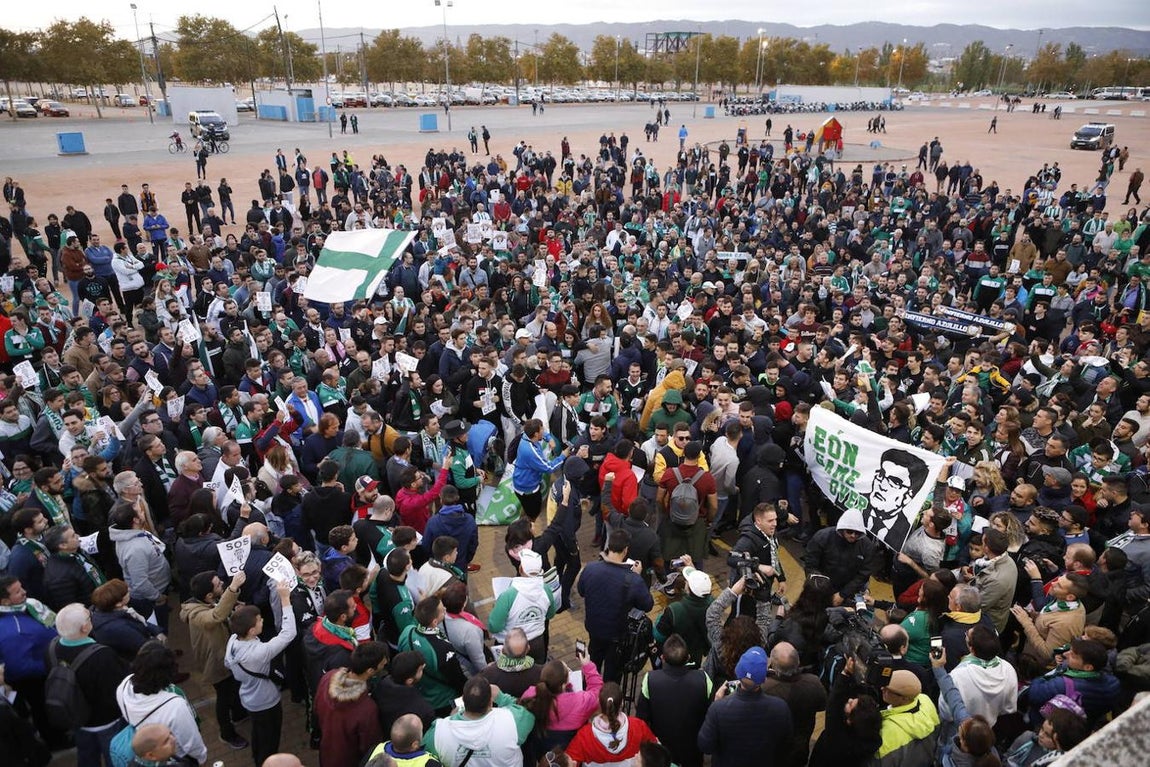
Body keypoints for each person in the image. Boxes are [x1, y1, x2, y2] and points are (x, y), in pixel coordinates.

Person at [224, 580, 297, 767]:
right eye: (259, 620)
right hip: (266, 701)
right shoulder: (258, 653)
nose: (262, 620)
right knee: (270, 740)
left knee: (259, 733)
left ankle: (258, 757)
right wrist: (285, 599)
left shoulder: (233, 640)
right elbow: (288, 634)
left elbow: (227, 663)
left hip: (248, 698)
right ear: (251, 630)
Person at [49, 603, 131, 767]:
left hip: (78, 718)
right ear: (84, 627)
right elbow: (116, 689)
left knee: (86, 757)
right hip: (107, 721)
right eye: (89, 617)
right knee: (115, 758)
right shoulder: (102, 655)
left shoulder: (53, 647)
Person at [180, 569, 249, 750]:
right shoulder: (196, 614)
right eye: (219, 585)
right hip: (216, 662)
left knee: (232, 687)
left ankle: (239, 713)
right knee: (224, 697)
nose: (223, 585)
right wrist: (233, 588)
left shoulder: (207, 601)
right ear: (209, 595)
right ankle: (227, 733)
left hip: (224, 657)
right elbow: (215, 617)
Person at [577, 529, 655, 683]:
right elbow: (648, 605)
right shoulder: (632, 580)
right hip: (617, 636)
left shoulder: (591, 568)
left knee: (591, 666)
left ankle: (589, 695)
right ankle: (608, 700)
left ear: (609, 546)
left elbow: (581, 591)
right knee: (612, 677)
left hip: (594, 630)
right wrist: (637, 576)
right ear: (626, 550)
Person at [698, 646, 794, 767]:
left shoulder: (718, 709)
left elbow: (705, 746)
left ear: (738, 673)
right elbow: (787, 745)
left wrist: (717, 703)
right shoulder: (780, 708)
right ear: (764, 678)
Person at [116, 641, 207, 766]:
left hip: (147, 749)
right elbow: (191, 742)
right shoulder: (175, 705)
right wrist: (201, 758)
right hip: (176, 758)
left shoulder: (123, 687)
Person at [636, 634, 712, 767]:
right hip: (694, 749)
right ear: (688, 658)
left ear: (662, 658)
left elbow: (641, 718)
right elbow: (711, 714)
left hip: (662, 752)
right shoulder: (704, 679)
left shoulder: (650, 680)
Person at [424, 676, 535, 767]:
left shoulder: (437, 733)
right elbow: (527, 712)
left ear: (463, 700)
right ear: (491, 702)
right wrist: (502, 698)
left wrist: (452, 717)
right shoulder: (512, 719)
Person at [314, 641, 388, 767]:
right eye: (382, 663)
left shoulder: (328, 678)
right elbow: (369, 747)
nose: (385, 663)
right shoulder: (367, 709)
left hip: (326, 754)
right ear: (370, 670)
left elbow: (315, 710)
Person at [520, 650, 604, 751]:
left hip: (541, 748)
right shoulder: (580, 701)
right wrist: (587, 665)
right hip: (570, 749)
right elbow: (597, 691)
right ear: (564, 684)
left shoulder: (529, 695)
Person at [397, 596, 468, 716]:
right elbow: (456, 678)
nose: (445, 609)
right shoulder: (443, 649)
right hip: (445, 700)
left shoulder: (407, 631)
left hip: (421, 694)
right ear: (435, 622)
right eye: (442, 610)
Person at [761, 642, 828, 767]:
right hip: (800, 746)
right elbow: (822, 705)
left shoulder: (764, 689)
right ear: (798, 662)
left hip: (773, 747)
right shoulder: (814, 683)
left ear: (773, 665)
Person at [564, 681, 659, 765]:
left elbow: (569, 761)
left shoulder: (584, 736)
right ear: (622, 703)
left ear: (599, 704)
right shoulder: (638, 727)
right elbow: (656, 751)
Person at [488, 548, 556, 663]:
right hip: (537, 643)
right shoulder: (546, 590)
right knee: (536, 676)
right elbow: (550, 614)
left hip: (511, 646)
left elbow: (494, 626)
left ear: (521, 569)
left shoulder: (508, 595)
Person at [802, 509, 878, 607]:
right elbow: (810, 564)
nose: (853, 535)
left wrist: (843, 594)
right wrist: (819, 587)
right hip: (821, 586)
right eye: (850, 531)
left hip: (848, 590)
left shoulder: (866, 546)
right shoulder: (822, 537)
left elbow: (863, 574)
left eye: (857, 533)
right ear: (842, 528)